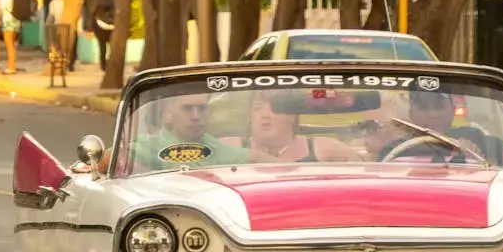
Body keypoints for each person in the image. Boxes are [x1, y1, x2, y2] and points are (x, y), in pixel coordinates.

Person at [128, 93, 250, 172]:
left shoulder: (216, 147)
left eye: (202, 108)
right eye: (187, 108)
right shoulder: (147, 146)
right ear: (168, 114)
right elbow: (112, 160)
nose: (196, 116)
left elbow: (258, 159)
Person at [227, 94, 356, 163]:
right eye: (257, 108)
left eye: (275, 108)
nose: (265, 115)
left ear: (292, 115)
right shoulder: (227, 147)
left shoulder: (325, 149)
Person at [0, 0, 21, 74]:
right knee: (12, 44)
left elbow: (0, 8)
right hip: (16, 19)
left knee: (9, 44)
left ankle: (11, 67)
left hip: (7, 19)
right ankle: (12, 66)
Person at [92, 0, 116, 70]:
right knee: (102, 48)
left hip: (113, 26)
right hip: (100, 26)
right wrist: (90, 28)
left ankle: (111, 65)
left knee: (113, 47)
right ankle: (103, 65)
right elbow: (93, 13)